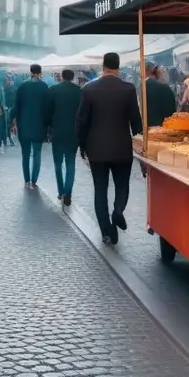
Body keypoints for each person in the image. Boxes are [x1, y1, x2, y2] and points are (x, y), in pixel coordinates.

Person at [75, 52, 142, 246]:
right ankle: (118, 210)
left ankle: (107, 231)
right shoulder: (128, 89)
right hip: (122, 148)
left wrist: (82, 145)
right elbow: (136, 123)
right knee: (122, 185)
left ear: (103, 66)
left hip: (96, 150)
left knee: (100, 189)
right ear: (118, 67)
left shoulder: (88, 89)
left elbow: (81, 121)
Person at [46, 68, 82, 205]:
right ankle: (68, 192)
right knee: (70, 164)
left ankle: (60, 191)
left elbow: (48, 112)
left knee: (58, 163)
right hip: (73, 133)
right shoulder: (79, 91)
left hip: (58, 132)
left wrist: (49, 130)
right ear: (72, 77)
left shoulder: (53, 90)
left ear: (61, 76)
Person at [11, 63, 48, 189]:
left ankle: (26, 181)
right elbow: (47, 109)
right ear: (40, 72)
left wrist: (11, 121)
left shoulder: (22, 86)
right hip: (39, 126)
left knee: (25, 154)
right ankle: (34, 180)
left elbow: (16, 107)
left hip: (24, 126)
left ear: (30, 72)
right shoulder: (44, 87)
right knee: (37, 154)